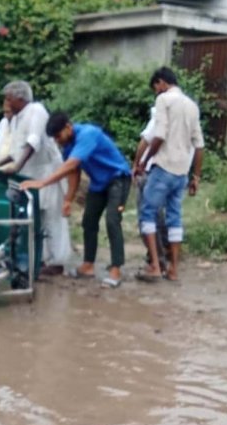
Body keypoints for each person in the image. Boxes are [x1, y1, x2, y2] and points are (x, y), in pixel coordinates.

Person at [20, 111, 132, 288]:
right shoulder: (69, 145)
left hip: (118, 179)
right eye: (55, 139)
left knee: (112, 221)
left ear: (68, 127)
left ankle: (115, 270)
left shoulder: (88, 134)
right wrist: (67, 200)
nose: (58, 141)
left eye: (58, 136)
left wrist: (42, 183)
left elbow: (71, 164)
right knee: (88, 221)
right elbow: (74, 173)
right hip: (99, 183)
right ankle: (88, 265)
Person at [0, 80, 71, 275]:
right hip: (30, 174)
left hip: (48, 171)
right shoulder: (18, 118)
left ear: (20, 98)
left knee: (52, 216)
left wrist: (17, 166)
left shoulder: (36, 110)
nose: (7, 102)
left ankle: (57, 261)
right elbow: (16, 150)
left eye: (9, 98)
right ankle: (41, 258)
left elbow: (33, 142)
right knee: (35, 216)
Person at [135, 66, 204, 283]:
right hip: (182, 173)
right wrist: (196, 177)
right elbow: (199, 145)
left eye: (157, 88)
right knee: (175, 219)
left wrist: (144, 161)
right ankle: (173, 269)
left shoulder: (164, 101)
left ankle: (155, 265)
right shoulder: (192, 106)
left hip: (163, 168)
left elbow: (159, 135)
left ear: (162, 83)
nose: (157, 92)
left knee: (147, 212)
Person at [132, 106, 169, 272]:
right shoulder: (185, 118)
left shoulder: (159, 119)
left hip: (150, 171)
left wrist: (137, 163)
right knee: (160, 215)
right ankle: (166, 254)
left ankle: (156, 261)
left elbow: (146, 141)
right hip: (168, 172)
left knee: (146, 217)